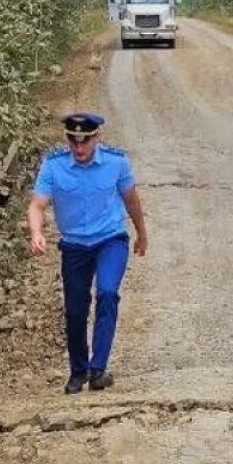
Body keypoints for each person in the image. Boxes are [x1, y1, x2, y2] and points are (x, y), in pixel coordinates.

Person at [27, 112, 147, 394]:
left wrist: (142, 233)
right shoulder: (53, 166)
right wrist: (36, 233)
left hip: (110, 240)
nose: (79, 148)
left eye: (85, 141)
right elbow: (37, 205)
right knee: (76, 310)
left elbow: (131, 198)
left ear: (97, 138)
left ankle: (98, 369)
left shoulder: (117, 162)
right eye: (73, 141)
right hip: (74, 246)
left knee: (107, 293)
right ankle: (78, 371)